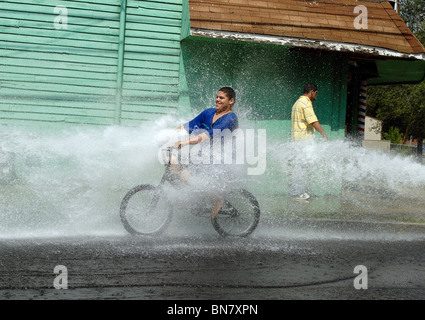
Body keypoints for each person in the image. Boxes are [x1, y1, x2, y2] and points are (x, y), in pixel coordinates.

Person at [172, 87, 239, 218]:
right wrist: (170, 136)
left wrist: (183, 143)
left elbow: (208, 136)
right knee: (172, 164)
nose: (217, 100)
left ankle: (217, 199)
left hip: (221, 161)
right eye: (217, 97)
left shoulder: (230, 119)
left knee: (184, 172)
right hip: (203, 157)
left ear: (231, 101)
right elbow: (188, 126)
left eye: (221, 98)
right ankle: (193, 198)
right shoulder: (209, 113)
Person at [289, 83, 328, 201]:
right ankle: (297, 194)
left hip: (297, 142)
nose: (316, 96)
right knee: (301, 168)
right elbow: (313, 121)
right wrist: (324, 134)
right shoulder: (305, 103)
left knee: (299, 168)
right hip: (303, 143)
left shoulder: (297, 103)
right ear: (312, 92)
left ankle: (297, 193)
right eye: (316, 93)